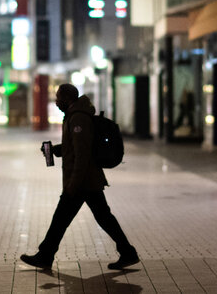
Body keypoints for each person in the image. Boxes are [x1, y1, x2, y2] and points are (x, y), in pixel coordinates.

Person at [20, 84, 139, 270]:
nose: (56, 101)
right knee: (102, 217)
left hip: (83, 181)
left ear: (67, 98)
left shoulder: (78, 119)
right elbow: (76, 148)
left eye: (58, 97)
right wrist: (58, 150)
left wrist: (72, 184)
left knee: (62, 219)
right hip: (87, 180)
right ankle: (128, 252)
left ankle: (45, 255)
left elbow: (82, 155)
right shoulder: (74, 116)